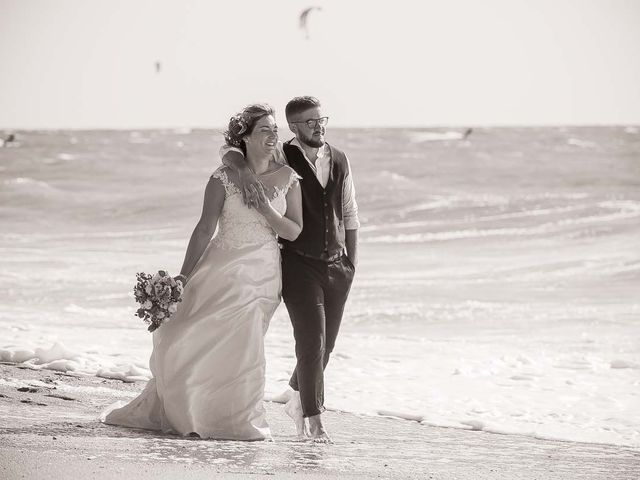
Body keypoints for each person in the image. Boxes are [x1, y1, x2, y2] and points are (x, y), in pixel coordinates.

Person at [101, 104, 303, 440]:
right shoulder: (223, 177)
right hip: (220, 266)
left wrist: (265, 208)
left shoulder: (288, 177)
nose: (272, 136)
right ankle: (196, 410)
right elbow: (204, 228)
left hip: (262, 274)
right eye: (264, 130)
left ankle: (239, 420)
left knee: (246, 343)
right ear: (246, 137)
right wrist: (182, 276)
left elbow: (294, 231)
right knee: (192, 334)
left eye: (274, 130)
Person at [221, 96, 359, 442]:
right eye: (310, 122)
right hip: (298, 264)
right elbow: (231, 150)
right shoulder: (281, 154)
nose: (319, 126)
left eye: (321, 119)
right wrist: (237, 167)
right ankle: (315, 421)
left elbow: (350, 212)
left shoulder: (339, 158)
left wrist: (351, 263)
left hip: (337, 265)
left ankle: (298, 398)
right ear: (295, 127)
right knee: (311, 343)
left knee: (325, 347)